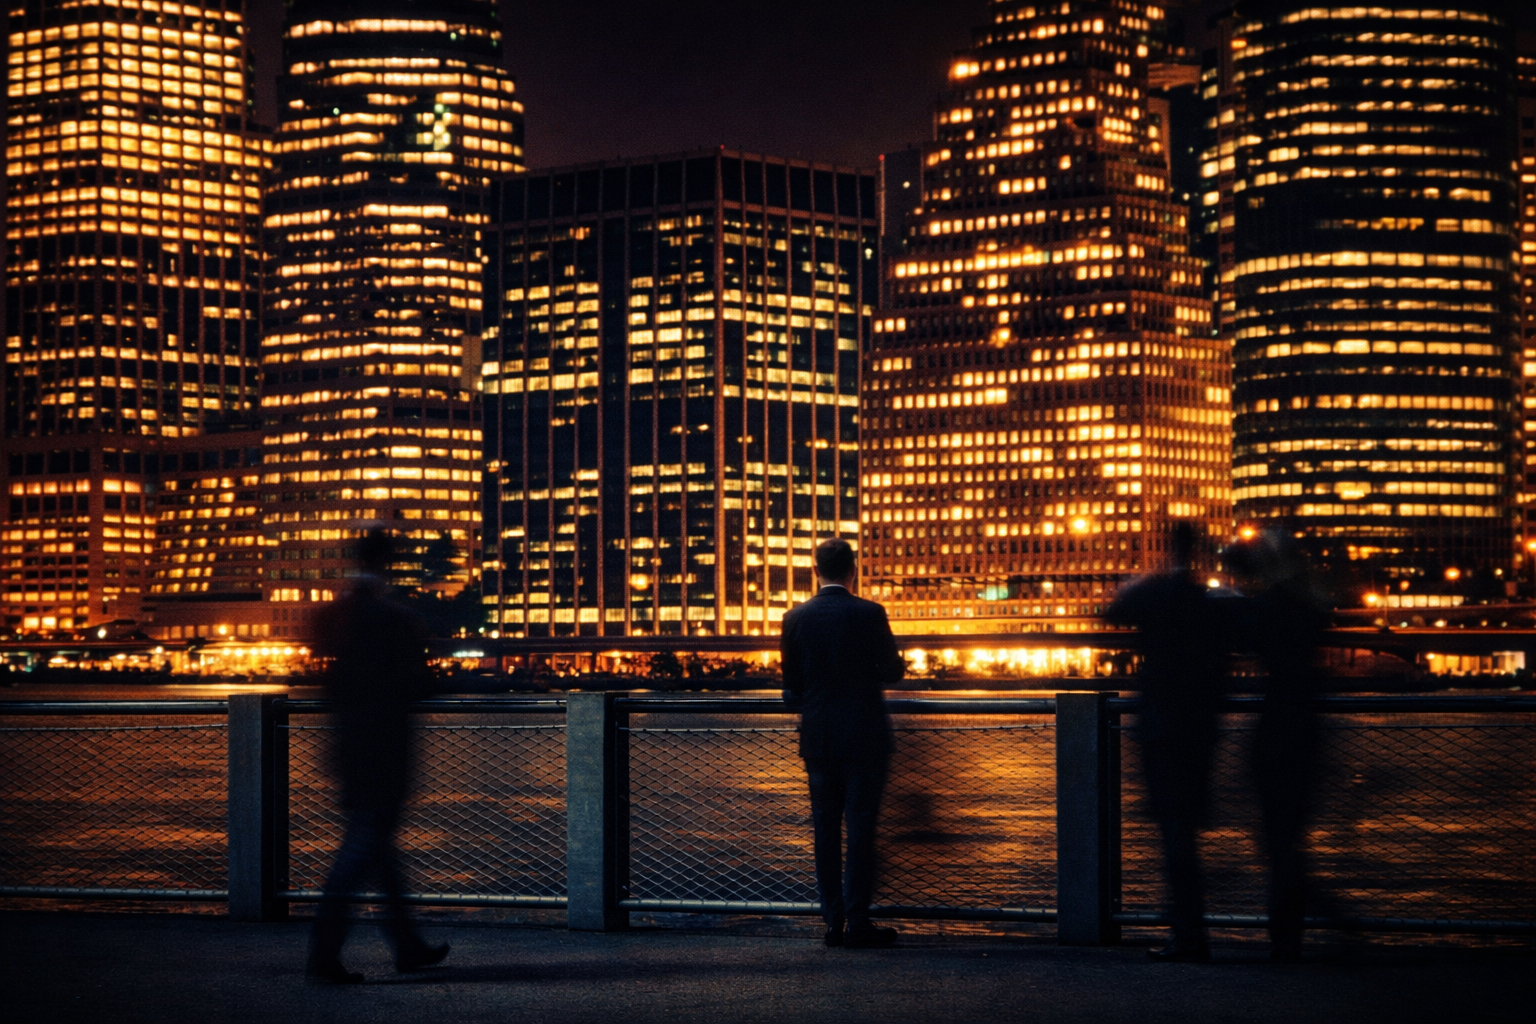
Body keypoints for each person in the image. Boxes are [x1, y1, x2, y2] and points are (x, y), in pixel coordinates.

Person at [306, 529, 449, 984]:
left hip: (348, 744)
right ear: (390, 561)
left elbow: (329, 678)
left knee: (375, 847)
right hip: (386, 746)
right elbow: (419, 683)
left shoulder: (334, 615)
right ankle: (323, 955)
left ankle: (406, 946)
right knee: (363, 847)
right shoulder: (396, 618)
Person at [1105, 521, 1232, 963]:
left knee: (1173, 835)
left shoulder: (1154, 593)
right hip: (1201, 727)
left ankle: (1188, 932)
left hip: (1162, 728)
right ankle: (1195, 926)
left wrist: (1139, 580)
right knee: (1187, 831)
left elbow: (1112, 614)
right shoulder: (1211, 600)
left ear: (1165, 548)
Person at [780, 538, 907, 949]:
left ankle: (832, 922)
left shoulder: (795, 618)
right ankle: (859, 921)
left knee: (825, 830)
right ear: (853, 569)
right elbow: (891, 672)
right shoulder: (870, 613)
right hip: (865, 735)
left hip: (818, 737)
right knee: (861, 828)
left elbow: (791, 690)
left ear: (815, 570)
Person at [1224, 529, 1329, 963]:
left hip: (1275, 727)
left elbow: (1238, 633)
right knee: (1291, 838)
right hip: (1309, 727)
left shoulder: (1265, 608)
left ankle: (1284, 936)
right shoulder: (1314, 603)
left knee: (1275, 841)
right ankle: (1292, 934)